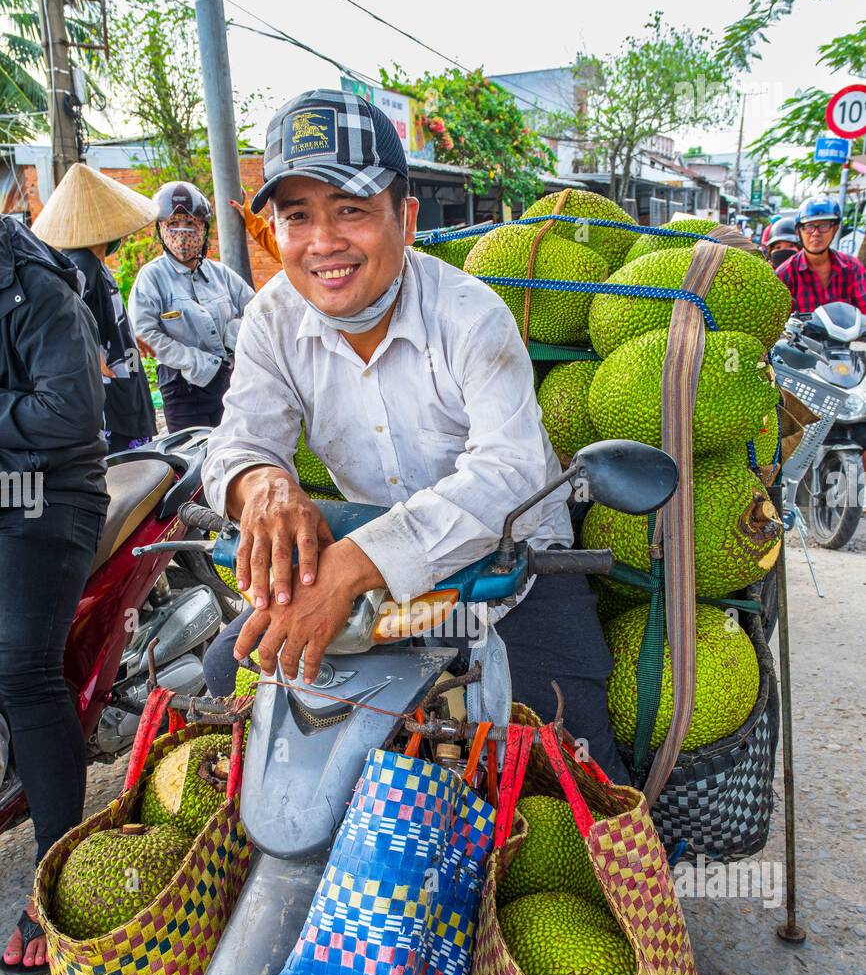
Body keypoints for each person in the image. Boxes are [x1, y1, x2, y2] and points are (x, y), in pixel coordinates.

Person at [200, 89, 626, 781]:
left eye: (351, 211)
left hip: (505, 580)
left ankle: (632, 875)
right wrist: (264, 485)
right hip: (380, 597)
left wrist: (350, 565)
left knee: (578, 754)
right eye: (297, 216)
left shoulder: (470, 316)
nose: (324, 243)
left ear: (406, 216)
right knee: (225, 680)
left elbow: (509, 476)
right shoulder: (270, 319)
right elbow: (240, 437)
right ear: (273, 231)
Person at [0, 215, 107, 975]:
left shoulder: (34, 286)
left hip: (48, 491)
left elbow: (71, 411)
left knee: (20, 667)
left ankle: (54, 868)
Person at [31, 163, 158, 454]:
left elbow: (98, 316)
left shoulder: (97, 265)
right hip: (108, 395)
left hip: (123, 379)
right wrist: (92, 357)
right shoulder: (80, 264)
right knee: (127, 473)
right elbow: (63, 320)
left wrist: (129, 337)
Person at [129, 181, 254, 433]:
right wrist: (197, 362)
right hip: (182, 388)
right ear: (161, 229)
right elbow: (144, 334)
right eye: (173, 225)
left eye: (191, 224)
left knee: (234, 452)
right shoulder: (151, 278)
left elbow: (257, 313)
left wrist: (231, 336)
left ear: (204, 229)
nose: (182, 233)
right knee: (191, 458)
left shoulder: (222, 275)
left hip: (231, 381)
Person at [776, 196, 866, 313]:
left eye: (824, 225)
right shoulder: (784, 274)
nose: (816, 233)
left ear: (835, 229)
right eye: (809, 226)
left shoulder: (853, 267)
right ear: (799, 231)